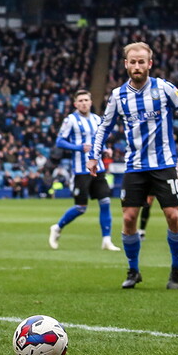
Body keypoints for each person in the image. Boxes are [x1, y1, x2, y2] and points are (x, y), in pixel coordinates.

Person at [87, 42, 178, 290]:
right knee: (129, 219)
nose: (137, 66)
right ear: (126, 64)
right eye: (133, 62)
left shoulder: (165, 89)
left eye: (142, 62)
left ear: (149, 64)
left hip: (164, 164)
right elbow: (104, 127)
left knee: (173, 215)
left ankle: (176, 269)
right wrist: (94, 156)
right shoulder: (118, 95)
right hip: (135, 166)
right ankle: (133, 270)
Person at [48, 89, 120, 251]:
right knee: (81, 207)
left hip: (98, 167)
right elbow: (59, 141)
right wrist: (78, 147)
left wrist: (105, 149)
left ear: (91, 102)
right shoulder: (70, 120)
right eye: (80, 101)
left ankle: (106, 240)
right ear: (75, 104)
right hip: (81, 170)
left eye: (86, 100)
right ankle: (57, 227)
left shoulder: (96, 119)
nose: (83, 103)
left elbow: (99, 139)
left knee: (105, 202)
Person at [138, 127, 178, 240]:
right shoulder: (154, 126)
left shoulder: (176, 130)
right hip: (154, 167)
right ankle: (141, 231)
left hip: (171, 167)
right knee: (149, 200)